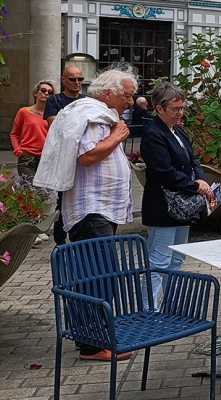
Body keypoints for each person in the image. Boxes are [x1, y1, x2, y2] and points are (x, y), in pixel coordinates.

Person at [34, 67, 137, 360]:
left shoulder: (99, 115)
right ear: (108, 93)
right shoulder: (93, 115)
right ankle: (92, 344)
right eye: (127, 95)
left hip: (100, 209)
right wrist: (117, 136)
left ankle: (95, 339)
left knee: (95, 275)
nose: (130, 102)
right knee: (97, 277)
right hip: (91, 209)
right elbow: (88, 157)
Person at [139, 82, 214, 311]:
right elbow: (164, 172)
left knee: (177, 258)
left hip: (182, 206)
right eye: (175, 108)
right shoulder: (153, 134)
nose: (180, 113)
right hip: (162, 207)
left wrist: (200, 179)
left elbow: (192, 160)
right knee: (159, 260)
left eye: (182, 108)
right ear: (159, 109)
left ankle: (171, 304)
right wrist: (195, 186)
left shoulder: (177, 130)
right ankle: (148, 309)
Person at [44, 66, 87, 247]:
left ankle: (79, 238)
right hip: (62, 157)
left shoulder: (86, 101)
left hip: (82, 157)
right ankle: (60, 242)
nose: (77, 83)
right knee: (61, 199)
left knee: (82, 197)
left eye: (80, 79)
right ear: (63, 80)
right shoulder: (55, 100)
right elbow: (55, 126)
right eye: (73, 79)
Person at [10, 80, 54, 179]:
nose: (46, 93)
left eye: (49, 92)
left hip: (46, 157)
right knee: (29, 189)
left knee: (43, 192)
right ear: (35, 93)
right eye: (43, 90)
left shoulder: (52, 115)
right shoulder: (24, 112)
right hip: (27, 157)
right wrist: (17, 149)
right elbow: (14, 134)